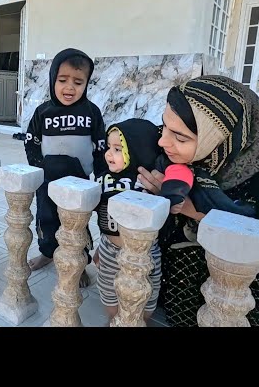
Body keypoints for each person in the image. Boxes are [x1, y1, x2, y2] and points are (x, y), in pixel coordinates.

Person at [136, 75, 259, 327]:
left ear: (218, 138)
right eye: (164, 126)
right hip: (191, 251)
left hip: (256, 266)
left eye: (180, 137)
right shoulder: (172, 139)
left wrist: (198, 211)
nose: (162, 141)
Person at [94, 118, 192, 323]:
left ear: (137, 150)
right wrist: (97, 249)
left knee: (148, 292)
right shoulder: (103, 179)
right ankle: (114, 319)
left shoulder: (146, 180)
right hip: (109, 248)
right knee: (108, 290)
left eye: (118, 149)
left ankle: (140, 320)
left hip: (146, 252)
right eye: (108, 147)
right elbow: (99, 213)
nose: (109, 154)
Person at [24, 47, 107, 287]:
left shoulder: (92, 112)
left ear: (86, 84)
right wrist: (39, 169)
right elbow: (32, 141)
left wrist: (101, 176)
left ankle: (78, 262)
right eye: (63, 80)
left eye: (78, 82)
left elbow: (101, 145)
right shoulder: (43, 112)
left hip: (79, 182)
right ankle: (48, 253)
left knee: (76, 224)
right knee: (47, 219)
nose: (70, 88)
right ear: (53, 79)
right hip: (47, 181)